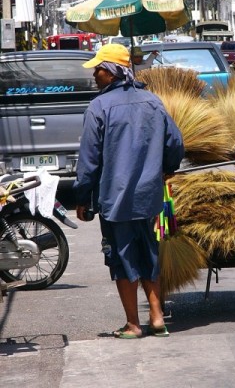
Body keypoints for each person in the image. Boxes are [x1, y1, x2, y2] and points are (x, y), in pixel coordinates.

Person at [74, 43, 184, 339]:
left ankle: (134, 324)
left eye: (98, 68)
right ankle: (158, 318)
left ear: (111, 72)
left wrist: (82, 197)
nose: (94, 75)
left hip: (115, 199)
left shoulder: (99, 107)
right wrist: (167, 167)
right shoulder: (151, 101)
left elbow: (89, 161)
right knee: (148, 252)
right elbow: (175, 142)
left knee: (122, 257)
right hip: (148, 197)